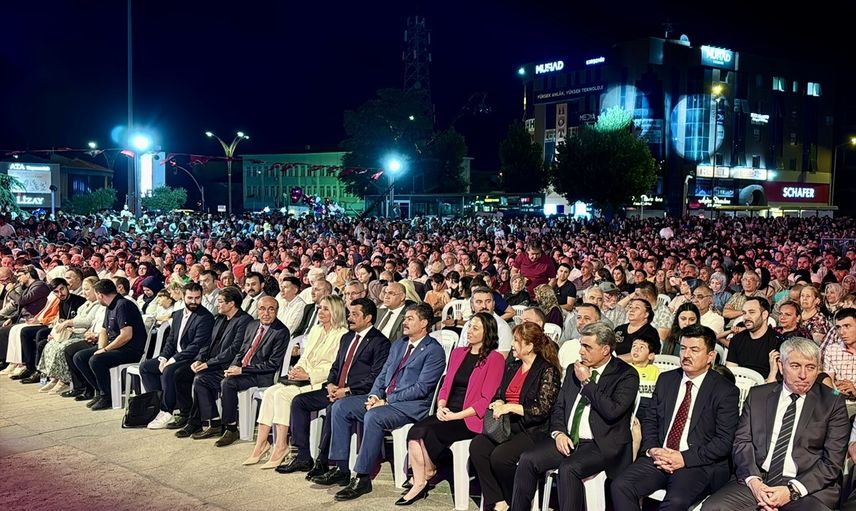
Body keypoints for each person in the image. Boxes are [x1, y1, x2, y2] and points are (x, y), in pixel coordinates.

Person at [314, 303, 444, 502]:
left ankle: (363, 477)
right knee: (340, 406)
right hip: (384, 401)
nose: (404, 322)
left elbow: (421, 389)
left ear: (424, 323)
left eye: (410, 318)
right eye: (405, 318)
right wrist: (374, 396)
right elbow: (382, 375)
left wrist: (386, 400)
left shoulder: (433, 351)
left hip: (410, 406)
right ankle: (341, 468)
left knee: (373, 416)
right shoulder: (399, 344)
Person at [704, 337, 849, 511]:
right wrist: (755, 483)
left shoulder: (832, 402)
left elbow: (832, 461)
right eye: (795, 366)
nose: (803, 375)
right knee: (713, 508)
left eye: (810, 367)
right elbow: (742, 443)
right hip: (758, 479)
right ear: (781, 365)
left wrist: (791, 491)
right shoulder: (758, 396)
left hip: (808, 486)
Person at [511, 322, 638, 511]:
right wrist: (559, 433)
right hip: (569, 439)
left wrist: (587, 382)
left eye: (587, 347)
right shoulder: (573, 369)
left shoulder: (626, 375)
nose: (581, 351)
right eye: (581, 345)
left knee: (568, 469)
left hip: (602, 443)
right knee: (528, 459)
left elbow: (612, 411)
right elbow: (559, 406)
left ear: (605, 350)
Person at [611, 324, 739, 510]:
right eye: (684, 348)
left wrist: (684, 458)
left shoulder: (725, 390)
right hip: (660, 456)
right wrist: (653, 449)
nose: (686, 355)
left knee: (676, 502)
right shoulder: (667, 379)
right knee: (621, 485)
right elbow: (651, 420)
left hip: (696, 463)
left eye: (694, 350)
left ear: (710, 356)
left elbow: (724, 441)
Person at [398, 312, 505, 505]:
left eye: (475, 328)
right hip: (448, 411)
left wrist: (457, 416)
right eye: (469, 326)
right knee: (415, 432)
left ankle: (424, 477)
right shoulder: (458, 353)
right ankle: (423, 477)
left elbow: (485, 400)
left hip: (470, 417)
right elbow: (446, 385)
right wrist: (441, 406)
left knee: (428, 432)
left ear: (487, 332)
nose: (469, 331)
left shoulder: (495, 359)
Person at [277, 298, 390, 477]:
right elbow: (336, 367)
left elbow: (375, 377)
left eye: (355, 314)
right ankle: (303, 456)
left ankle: (324, 461)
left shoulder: (380, 342)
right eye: (349, 314)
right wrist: (330, 384)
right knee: (299, 401)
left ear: (368, 318)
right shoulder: (347, 338)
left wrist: (347, 390)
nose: (349, 318)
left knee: (333, 409)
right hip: (335, 389)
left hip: (357, 393)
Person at [243, 295, 348, 469]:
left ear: (336, 311)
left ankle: (281, 446)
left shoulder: (342, 335)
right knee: (270, 393)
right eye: (319, 308)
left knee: (282, 395)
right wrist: (297, 370)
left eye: (326, 309)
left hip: (319, 381)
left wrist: (308, 375)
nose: (320, 312)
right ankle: (261, 444)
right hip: (302, 377)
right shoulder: (316, 330)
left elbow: (334, 366)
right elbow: (305, 357)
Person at [469, 322, 562, 511]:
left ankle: (516, 502)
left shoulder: (547, 370)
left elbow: (541, 409)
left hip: (532, 430)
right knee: (478, 446)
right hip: (507, 426)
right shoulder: (512, 367)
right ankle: (499, 500)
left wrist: (510, 407)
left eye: (517, 341)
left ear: (529, 346)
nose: (512, 344)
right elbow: (499, 393)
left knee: (501, 457)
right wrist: (498, 403)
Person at [191, 296, 289, 447]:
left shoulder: (281, 332)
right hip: (240, 370)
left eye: (271, 309)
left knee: (228, 383)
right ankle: (215, 423)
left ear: (277, 311)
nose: (266, 313)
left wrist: (242, 369)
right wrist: (232, 367)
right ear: (257, 310)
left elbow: (272, 364)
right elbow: (242, 351)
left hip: (260, 375)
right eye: (262, 309)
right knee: (201, 379)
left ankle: (231, 429)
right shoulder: (252, 325)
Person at [173, 286, 252, 436]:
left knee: (200, 377)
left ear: (231, 303)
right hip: (211, 361)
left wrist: (208, 363)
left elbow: (234, 349)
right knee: (180, 374)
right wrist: (200, 359)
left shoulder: (244, 320)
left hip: (225, 364)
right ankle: (195, 417)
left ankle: (196, 422)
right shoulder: (220, 318)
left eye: (221, 301)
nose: (217, 304)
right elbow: (207, 343)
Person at [141, 282, 215, 429]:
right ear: (183, 296)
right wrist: (163, 357)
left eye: (197, 298)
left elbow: (196, 346)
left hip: (192, 358)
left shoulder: (205, 317)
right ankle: (159, 404)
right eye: (190, 298)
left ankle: (166, 410)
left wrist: (172, 360)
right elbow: (171, 340)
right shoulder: (178, 314)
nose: (194, 301)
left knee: (169, 370)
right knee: (146, 367)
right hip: (176, 355)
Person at [72, 279, 148, 410]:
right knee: (79, 357)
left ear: (100, 295)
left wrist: (106, 350)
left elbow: (126, 335)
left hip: (130, 349)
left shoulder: (123, 305)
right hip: (115, 346)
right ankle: (100, 390)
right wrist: (101, 348)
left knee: (96, 360)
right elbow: (103, 331)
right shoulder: (109, 306)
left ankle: (107, 397)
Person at [37, 276, 103, 395]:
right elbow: (75, 318)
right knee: (50, 345)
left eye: (87, 289)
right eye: (83, 289)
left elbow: (87, 321)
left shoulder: (98, 305)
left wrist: (68, 323)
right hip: (75, 332)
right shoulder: (86, 303)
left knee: (63, 348)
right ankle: (55, 377)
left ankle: (65, 380)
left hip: (84, 335)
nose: (84, 292)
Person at [726, 297, 779, 377]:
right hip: (740, 382)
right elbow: (731, 371)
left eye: (752, 312)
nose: (746, 317)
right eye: (744, 313)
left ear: (764, 315)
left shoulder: (777, 341)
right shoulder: (736, 339)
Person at [455, 287, 513, 356]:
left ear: (494, 304)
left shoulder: (502, 327)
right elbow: (460, 352)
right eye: (479, 302)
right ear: (472, 306)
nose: (484, 306)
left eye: (488, 301)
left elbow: (502, 358)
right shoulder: (468, 325)